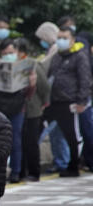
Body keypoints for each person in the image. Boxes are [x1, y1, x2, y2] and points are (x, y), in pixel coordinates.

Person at [45, 25, 90, 178]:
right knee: (45, 130)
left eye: (65, 38)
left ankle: (73, 166)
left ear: (72, 40)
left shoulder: (79, 56)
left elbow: (84, 80)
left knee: (73, 136)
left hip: (71, 102)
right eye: (59, 38)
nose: (61, 41)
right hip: (54, 102)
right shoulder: (57, 56)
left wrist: (81, 101)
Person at [0, 39, 29, 183]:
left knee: (16, 141)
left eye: (11, 52)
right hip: (0, 109)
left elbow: (28, 92)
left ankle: (16, 172)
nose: (9, 55)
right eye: (6, 53)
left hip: (17, 109)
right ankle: (0, 171)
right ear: (1, 53)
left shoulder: (23, 69)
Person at [20, 38, 51, 182]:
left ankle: (33, 171)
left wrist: (43, 104)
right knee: (20, 142)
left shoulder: (34, 65)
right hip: (18, 110)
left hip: (33, 110)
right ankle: (22, 171)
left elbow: (44, 87)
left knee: (31, 142)